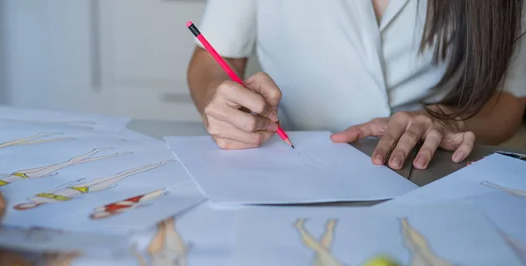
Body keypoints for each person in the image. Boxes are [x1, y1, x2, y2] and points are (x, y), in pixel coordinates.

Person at [187, 0, 526, 170]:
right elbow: (215, 60)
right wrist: (214, 99)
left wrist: (446, 120)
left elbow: (508, 103)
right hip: (289, 164)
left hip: (431, 169)